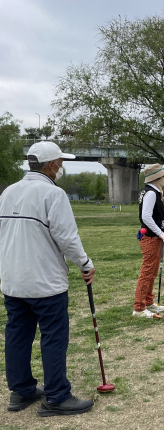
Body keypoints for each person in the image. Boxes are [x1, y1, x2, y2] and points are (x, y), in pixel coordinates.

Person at [0, 142, 95, 416]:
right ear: (51, 164)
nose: (62, 167)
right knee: (53, 337)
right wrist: (85, 263)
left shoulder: (8, 192)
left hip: (13, 280)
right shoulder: (53, 194)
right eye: (60, 162)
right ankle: (56, 396)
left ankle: (22, 390)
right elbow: (67, 237)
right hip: (44, 282)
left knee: (17, 334)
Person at [134, 164, 164, 319]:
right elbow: (146, 216)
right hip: (150, 237)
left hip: (154, 237)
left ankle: (148, 301)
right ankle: (139, 308)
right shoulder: (150, 193)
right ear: (156, 178)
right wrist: (161, 233)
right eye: (163, 176)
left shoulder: (154, 192)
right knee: (147, 272)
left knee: (153, 271)